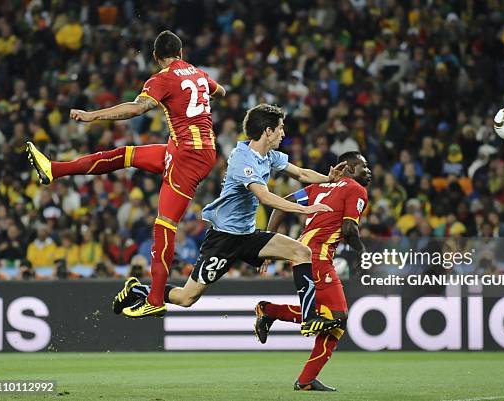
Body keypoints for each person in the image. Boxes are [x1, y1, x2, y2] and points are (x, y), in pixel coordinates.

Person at [26, 30, 225, 317]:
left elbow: (136, 108)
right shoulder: (198, 74)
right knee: (124, 155)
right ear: (181, 53)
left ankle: (155, 300)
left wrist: (93, 116)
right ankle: (53, 169)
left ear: (157, 57)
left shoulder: (162, 78)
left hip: (187, 157)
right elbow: (222, 91)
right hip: (187, 148)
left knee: (165, 225)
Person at [121, 104, 344, 337]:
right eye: (280, 128)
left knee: (301, 252)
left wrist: (328, 178)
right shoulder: (241, 159)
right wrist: (305, 210)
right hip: (224, 239)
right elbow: (264, 197)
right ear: (268, 131)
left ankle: (308, 319)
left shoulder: (269, 156)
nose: (283, 133)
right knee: (187, 298)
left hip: (248, 236)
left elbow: (301, 174)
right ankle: (138, 289)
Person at [255, 151, 371, 391]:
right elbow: (349, 229)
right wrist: (363, 252)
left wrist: (268, 241)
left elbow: (280, 206)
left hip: (301, 255)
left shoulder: (317, 187)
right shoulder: (356, 190)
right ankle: (269, 311)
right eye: (363, 166)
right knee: (337, 317)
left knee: (333, 321)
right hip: (317, 258)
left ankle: (306, 379)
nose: (368, 171)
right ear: (348, 168)